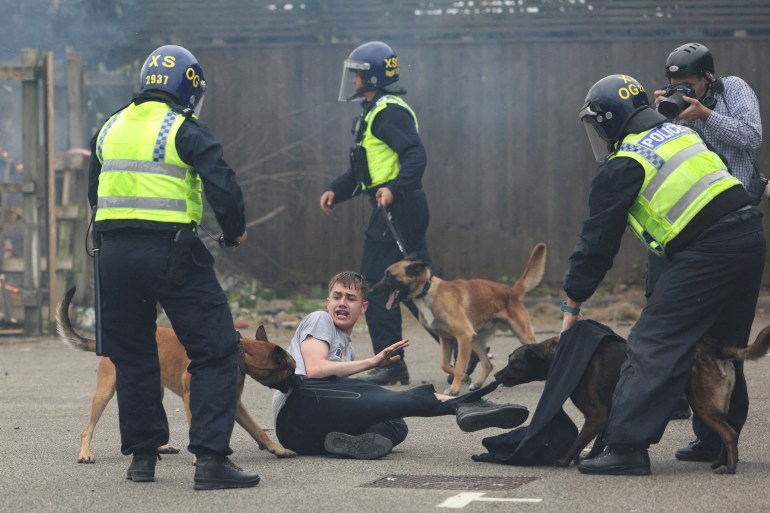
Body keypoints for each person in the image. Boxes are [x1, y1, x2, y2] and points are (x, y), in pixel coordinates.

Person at [560, 74, 765, 476]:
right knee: (720, 345)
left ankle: (625, 449)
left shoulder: (624, 163)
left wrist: (573, 299)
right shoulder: (680, 134)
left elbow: (597, 241)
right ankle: (714, 440)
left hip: (708, 249)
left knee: (653, 343)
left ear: (606, 120)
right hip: (749, 237)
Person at [87, 45, 258, 490]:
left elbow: (96, 194)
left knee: (133, 355)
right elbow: (222, 182)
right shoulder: (184, 128)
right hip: (172, 253)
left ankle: (142, 459)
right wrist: (235, 228)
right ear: (187, 87)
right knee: (218, 350)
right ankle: (211, 462)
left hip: (114, 256)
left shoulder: (109, 128)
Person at [272, 271, 529, 459]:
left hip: (309, 439)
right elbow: (315, 370)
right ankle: (466, 404)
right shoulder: (319, 320)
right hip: (298, 408)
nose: (341, 302)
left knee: (396, 422)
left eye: (350, 298)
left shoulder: (347, 348)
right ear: (327, 303)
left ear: (363, 308)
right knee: (379, 394)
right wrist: (372, 362)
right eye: (336, 296)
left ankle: (351, 445)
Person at [651, 42, 764, 439]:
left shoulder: (733, 90)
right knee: (688, 327)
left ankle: (721, 433)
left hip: (736, 221)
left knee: (727, 335)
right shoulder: (675, 110)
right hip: (693, 230)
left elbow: (751, 137)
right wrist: (660, 115)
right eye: (674, 84)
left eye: (688, 84)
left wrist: (706, 115)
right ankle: (701, 425)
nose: (682, 91)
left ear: (707, 78)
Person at [319, 41, 432, 386]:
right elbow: (362, 174)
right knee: (421, 288)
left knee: (378, 285)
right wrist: (336, 191)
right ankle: (466, 352)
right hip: (396, 206)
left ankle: (391, 364)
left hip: (397, 207)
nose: (351, 80)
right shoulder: (372, 111)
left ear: (372, 77)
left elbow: (416, 156)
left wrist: (394, 188)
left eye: (357, 74)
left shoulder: (388, 113)